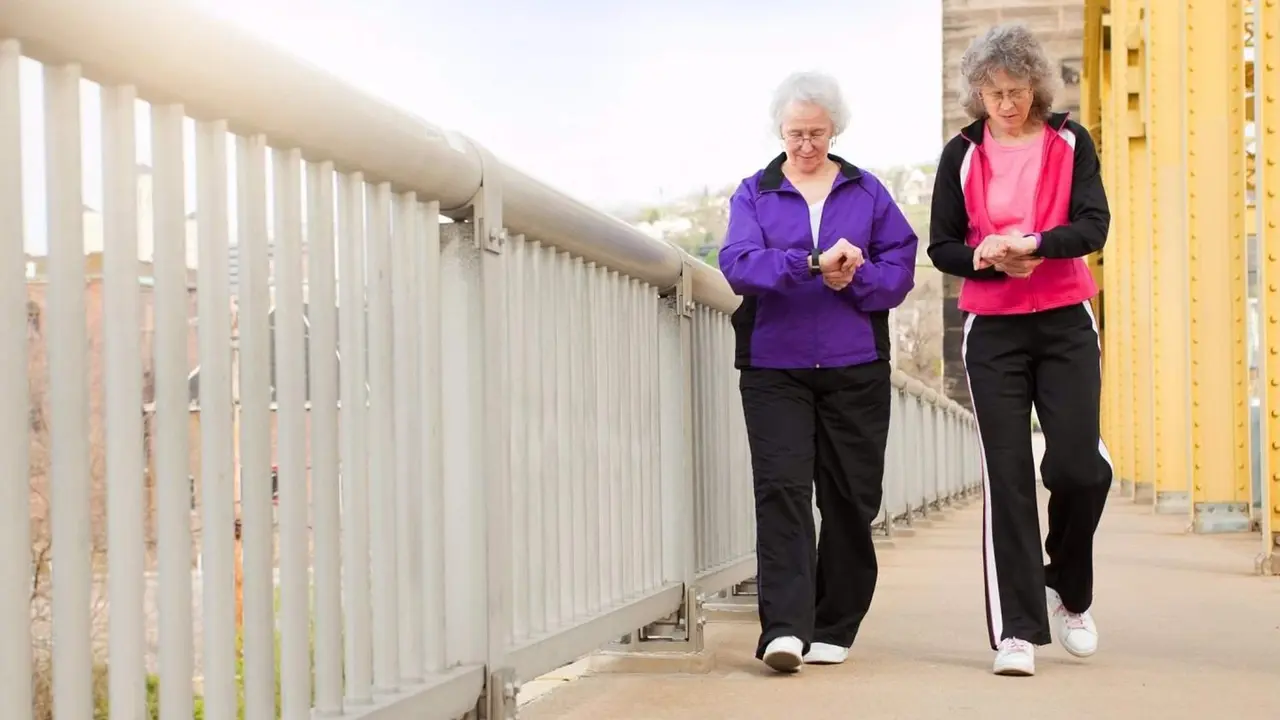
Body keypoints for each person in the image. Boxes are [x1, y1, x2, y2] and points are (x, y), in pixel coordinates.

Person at [927, 23, 1113, 677]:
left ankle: (1071, 590)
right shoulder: (961, 153)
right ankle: (1017, 631)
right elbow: (942, 245)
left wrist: (1037, 245)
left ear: (1036, 84)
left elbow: (1093, 225)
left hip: (1065, 321)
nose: (1005, 103)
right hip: (993, 331)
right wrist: (983, 256)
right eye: (993, 92)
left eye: (1016, 90)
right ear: (977, 92)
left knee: (1079, 470)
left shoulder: (1070, 140)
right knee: (1007, 478)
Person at [718, 70, 918, 674]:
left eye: (817, 133)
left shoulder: (867, 191)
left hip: (854, 364)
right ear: (779, 132)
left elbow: (900, 268)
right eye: (795, 134)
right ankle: (784, 628)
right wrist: (809, 264)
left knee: (851, 498)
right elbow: (738, 263)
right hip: (774, 366)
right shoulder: (754, 192)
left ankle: (834, 623)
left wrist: (855, 276)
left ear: (835, 131)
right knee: (782, 491)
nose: (806, 145)